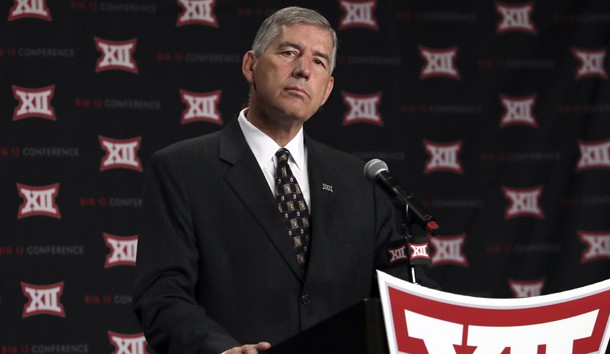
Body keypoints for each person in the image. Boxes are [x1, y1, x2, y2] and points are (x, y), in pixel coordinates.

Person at [133, 6, 435, 354]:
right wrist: (220, 350)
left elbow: (405, 295)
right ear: (251, 65)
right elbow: (163, 294)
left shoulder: (362, 183)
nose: (304, 70)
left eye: (319, 61)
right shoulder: (182, 169)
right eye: (290, 52)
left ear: (327, 91)